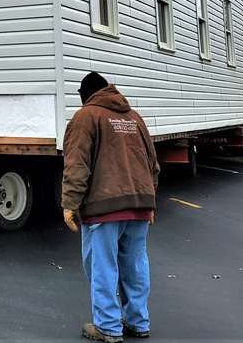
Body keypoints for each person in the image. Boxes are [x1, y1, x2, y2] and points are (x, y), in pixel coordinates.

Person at [61, 72, 159, 343]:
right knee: (135, 264)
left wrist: (70, 203)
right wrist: (150, 203)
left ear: (86, 94)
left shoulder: (85, 117)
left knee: (102, 265)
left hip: (104, 207)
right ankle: (138, 322)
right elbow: (152, 162)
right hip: (139, 204)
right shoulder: (134, 118)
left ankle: (107, 326)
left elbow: (77, 164)